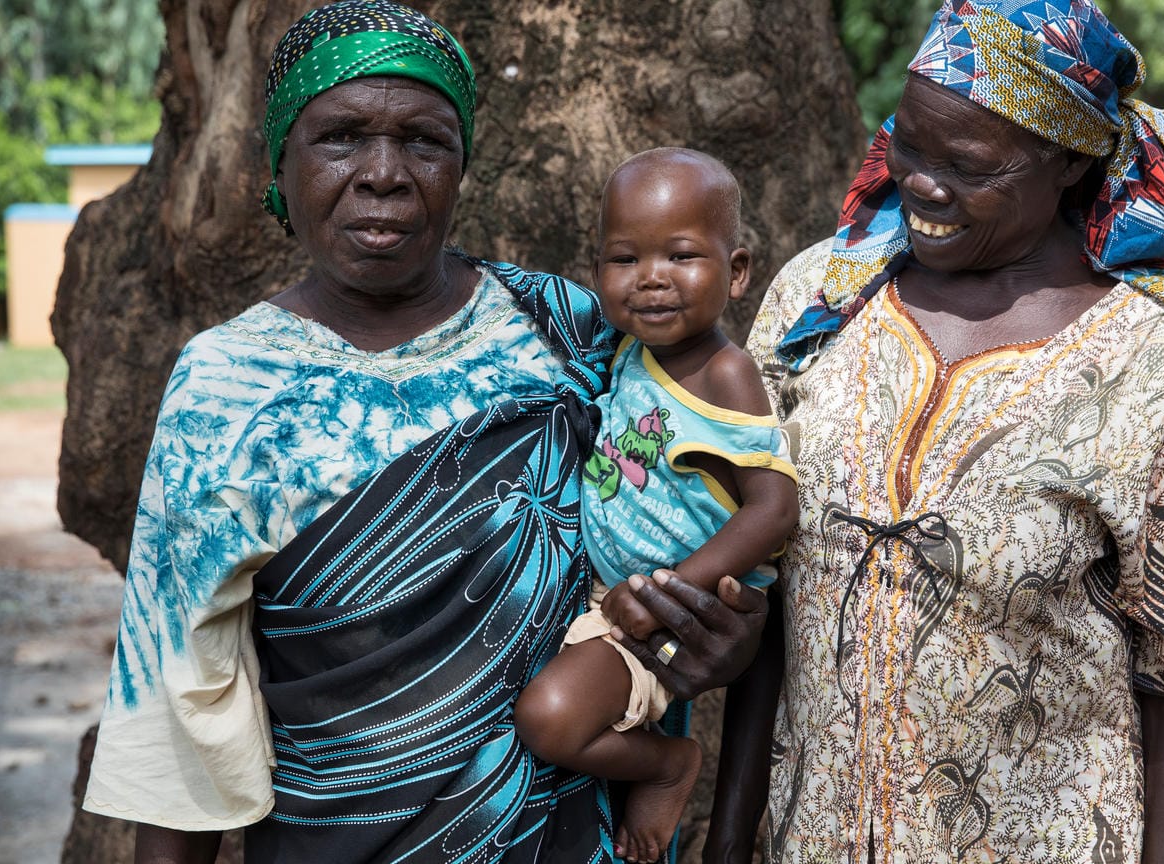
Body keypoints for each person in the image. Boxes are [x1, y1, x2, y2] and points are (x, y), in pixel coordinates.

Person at [79, 3, 764, 862]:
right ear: (280, 162)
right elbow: (182, 712)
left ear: (462, 165)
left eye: (424, 142)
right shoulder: (224, 387)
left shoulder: (575, 336)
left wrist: (714, 637)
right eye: (340, 138)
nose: (383, 174)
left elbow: (695, 525)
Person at [670, 2, 1164, 862]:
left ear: (1070, 161)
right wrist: (729, 840)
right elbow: (769, 605)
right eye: (910, 144)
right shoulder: (819, 300)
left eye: (968, 164)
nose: (923, 185)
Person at [513, 148, 799, 864]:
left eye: (680, 256)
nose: (651, 280)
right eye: (624, 259)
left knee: (549, 720)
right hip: (606, 596)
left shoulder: (724, 374)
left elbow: (773, 508)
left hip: (658, 615)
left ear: (736, 273)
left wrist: (670, 590)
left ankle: (668, 766)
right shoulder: (630, 354)